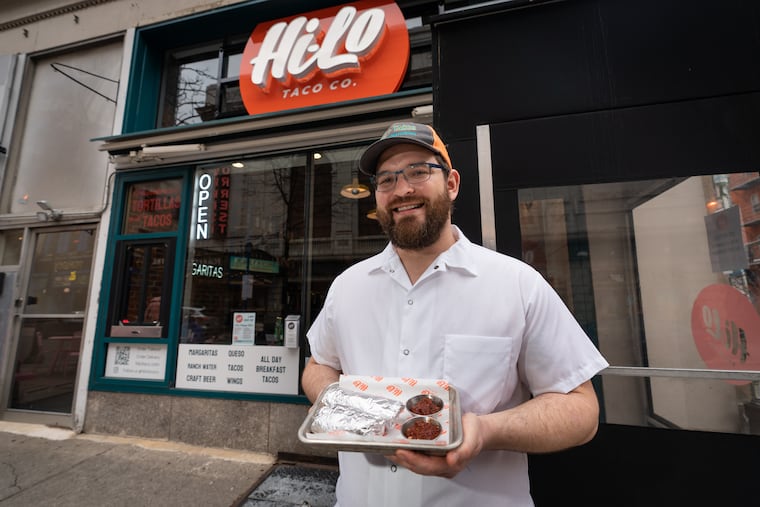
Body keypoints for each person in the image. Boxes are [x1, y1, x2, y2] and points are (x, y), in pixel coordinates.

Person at [302, 121, 609, 506]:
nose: (402, 189)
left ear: (451, 184)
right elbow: (318, 366)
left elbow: (581, 410)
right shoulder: (348, 286)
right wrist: (347, 407)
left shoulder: (516, 283)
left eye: (418, 172)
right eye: (386, 180)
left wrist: (484, 430)